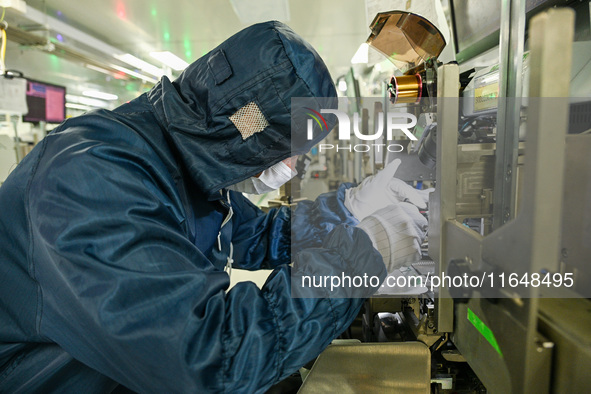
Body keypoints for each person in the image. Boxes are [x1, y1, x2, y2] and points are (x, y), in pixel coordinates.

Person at [0, 21, 403, 393]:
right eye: (294, 152)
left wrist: (351, 209)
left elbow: (257, 234)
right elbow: (205, 361)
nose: (296, 167)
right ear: (248, 127)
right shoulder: (92, 178)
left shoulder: (180, 165)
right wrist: (362, 257)